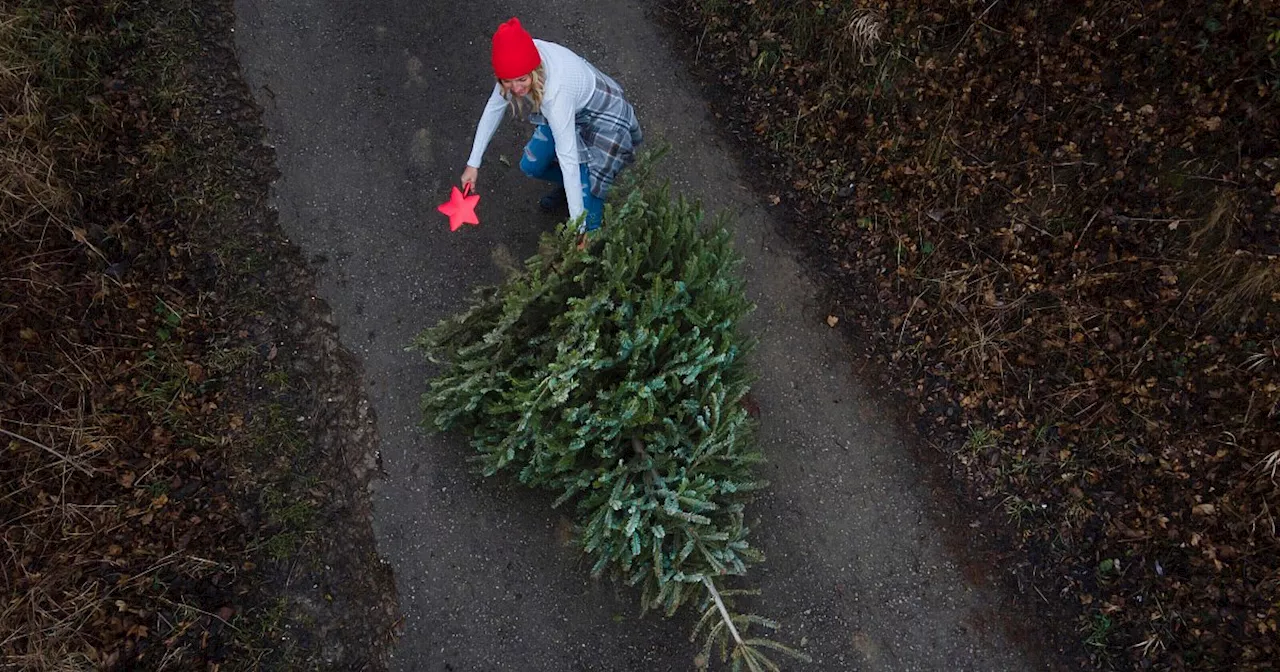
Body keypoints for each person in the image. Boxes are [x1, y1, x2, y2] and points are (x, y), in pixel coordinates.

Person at [460, 18, 642, 235]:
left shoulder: (555, 97)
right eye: (508, 81)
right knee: (532, 166)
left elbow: (569, 159)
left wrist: (578, 228)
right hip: (570, 111)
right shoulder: (518, 57)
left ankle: (590, 232)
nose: (516, 89)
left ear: (534, 70)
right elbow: (493, 108)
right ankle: (571, 190)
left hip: (603, 116)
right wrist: (473, 164)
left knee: (590, 190)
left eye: (521, 80)